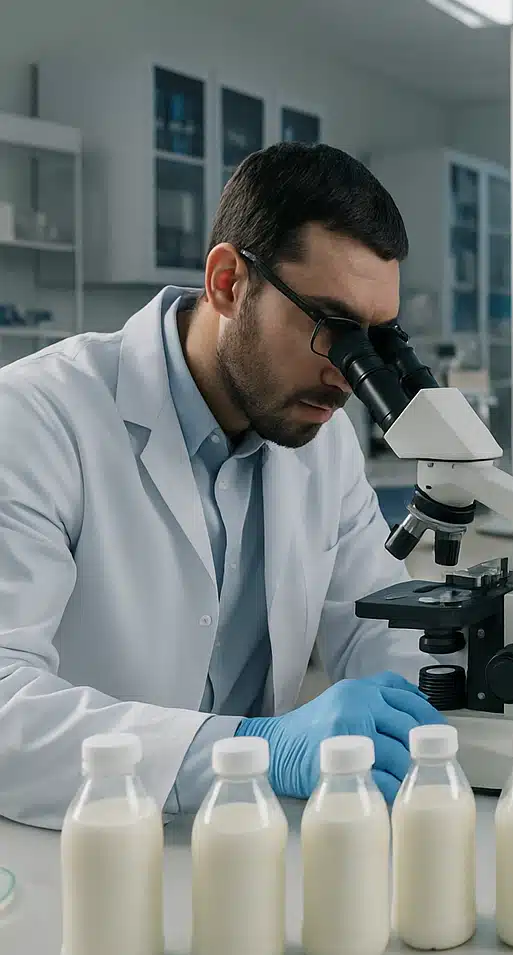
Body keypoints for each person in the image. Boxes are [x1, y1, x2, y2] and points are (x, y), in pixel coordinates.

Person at [0, 143, 447, 829]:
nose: (346, 375)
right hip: (72, 845)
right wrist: (253, 751)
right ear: (229, 282)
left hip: (249, 839)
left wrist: (441, 709)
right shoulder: (36, 419)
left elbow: (375, 623)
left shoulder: (322, 441)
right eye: (331, 328)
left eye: (372, 340)